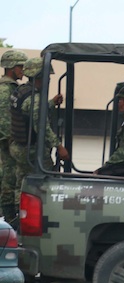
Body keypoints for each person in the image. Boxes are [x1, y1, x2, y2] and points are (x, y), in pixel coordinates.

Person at [9, 57, 69, 214]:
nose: (48, 80)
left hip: (18, 146)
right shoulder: (35, 98)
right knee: (45, 181)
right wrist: (59, 146)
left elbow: (28, 112)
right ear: (39, 76)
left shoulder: (20, 91)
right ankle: (40, 215)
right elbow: (41, 126)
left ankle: (18, 216)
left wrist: (50, 104)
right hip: (31, 150)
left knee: (20, 183)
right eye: (46, 77)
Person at [0, 50, 27, 221]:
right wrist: (13, 140)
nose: (23, 70)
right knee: (10, 181)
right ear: (11, 67)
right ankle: (10, 220)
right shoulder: (5, 90)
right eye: (20, 66)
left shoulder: (11, 88)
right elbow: (4, 121)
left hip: (9, 141)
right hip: (8, 142)